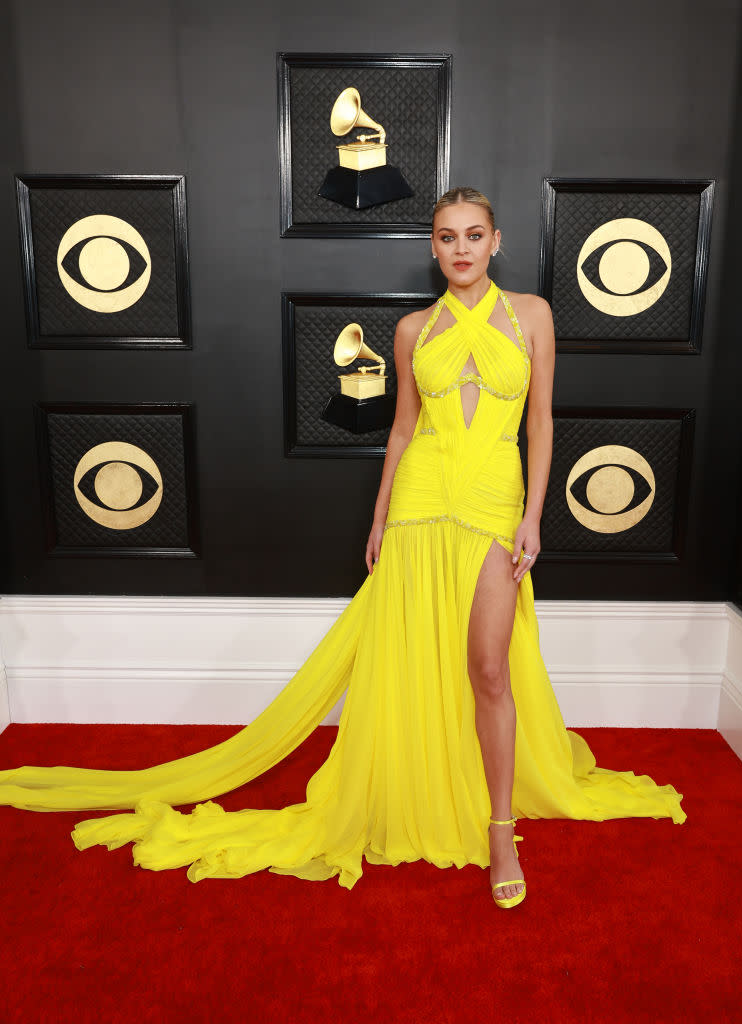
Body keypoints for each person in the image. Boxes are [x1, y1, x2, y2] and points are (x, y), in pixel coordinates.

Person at [0, 186, 686, 910]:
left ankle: (499, 827)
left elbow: (541, 425)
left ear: (495, 241)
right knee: (416, 653)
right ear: (433, 247)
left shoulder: (533, 316)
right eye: (447, 236)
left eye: (473, 235)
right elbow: (399, 432)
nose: (460, 248)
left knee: (488, 666)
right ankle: (424, 791)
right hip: (420, 504)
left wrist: (534, 518)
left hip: (492, 503)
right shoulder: (413, 330)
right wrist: (380, 516)